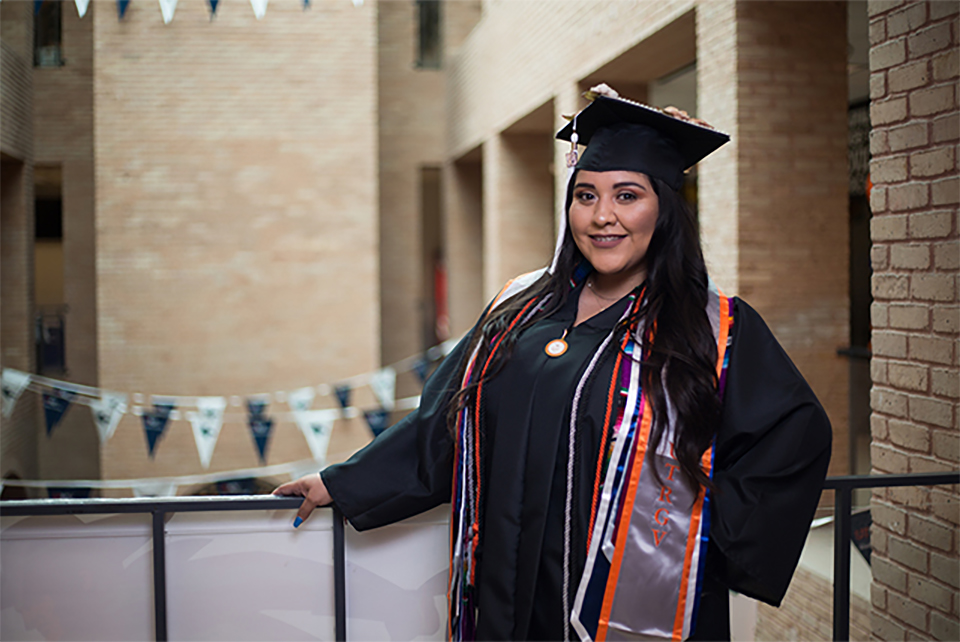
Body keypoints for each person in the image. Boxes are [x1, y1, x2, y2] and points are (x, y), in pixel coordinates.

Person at [274, 86, 832, 642]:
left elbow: (791, 439)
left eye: (627, 196)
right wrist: (341, 483)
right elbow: (445, 425)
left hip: (629, 605)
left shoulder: (710, 328)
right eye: (585, 196)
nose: (602, 217)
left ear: (663, 208)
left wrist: (698, 534)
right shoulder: (520, 309)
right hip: (503, 592)